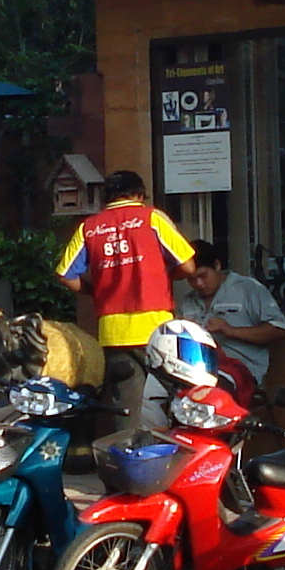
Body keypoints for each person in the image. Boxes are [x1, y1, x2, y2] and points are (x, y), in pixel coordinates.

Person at [58, 169, 194, 429]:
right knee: (182, 398)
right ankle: (185, 460)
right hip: (157, 327)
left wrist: (95, 289)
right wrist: (163, 276)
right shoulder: (151, 218)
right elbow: (188, 266)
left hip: (114, 331)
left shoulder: (89, 227)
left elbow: (65, 275)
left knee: (126, 408)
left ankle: (125, 462)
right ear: (139, 194)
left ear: (106, 197)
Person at [171, 244, 285, 400]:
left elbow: (280, 330)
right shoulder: (188, 302)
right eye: (191, 280)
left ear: (217, 265)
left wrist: (231, 330)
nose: (199, 284)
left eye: (203, 276)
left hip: (239, 369)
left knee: (210, 391)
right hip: (195, 367)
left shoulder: (248, 289)